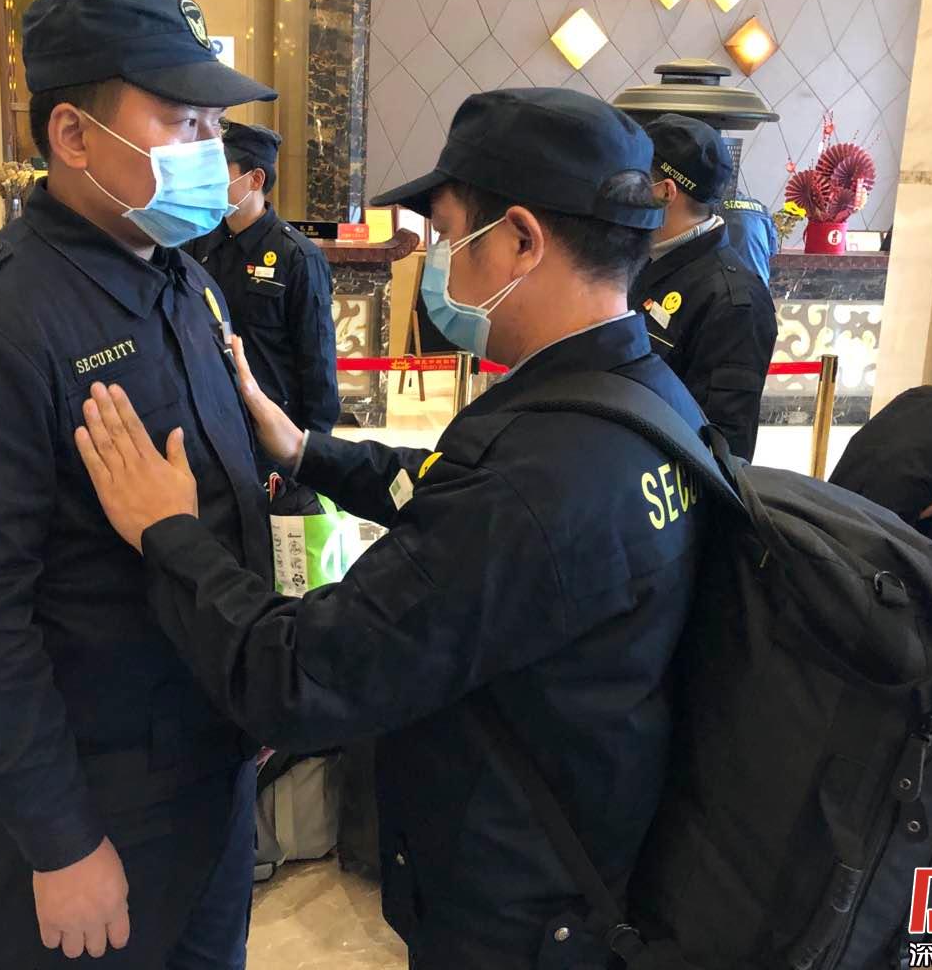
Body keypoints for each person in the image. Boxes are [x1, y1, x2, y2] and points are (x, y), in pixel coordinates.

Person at [72, 87, 709, 970]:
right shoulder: (644, 399)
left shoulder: (539, 477)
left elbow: (302, 676)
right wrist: (305, 449)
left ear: (522, 240)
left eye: (448, 234)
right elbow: (445, 492)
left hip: (514, 908)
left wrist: (170, 532)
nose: (438, 260)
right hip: (587, 847)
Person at [0, 0, 277, 968]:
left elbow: (221, 501)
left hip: (213, 762)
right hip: (99, 797)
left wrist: (256, 695)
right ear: (72, 134)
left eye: (214, 125)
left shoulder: (182, 280)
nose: (209, 149)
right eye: (181, 121)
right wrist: (59, 837)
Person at [185, 122, 340, 448]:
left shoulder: (297, 257)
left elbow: (317, 364)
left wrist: (314, 451)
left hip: (272, 428)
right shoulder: (199, 244)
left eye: (220, 170)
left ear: (255, 179)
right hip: (213, 418)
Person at [632, 114, 777, 461]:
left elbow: (723, 447)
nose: (627, 195)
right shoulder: (640, 261)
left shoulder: (734, 302)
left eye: (635, 182)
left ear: (665, 192)